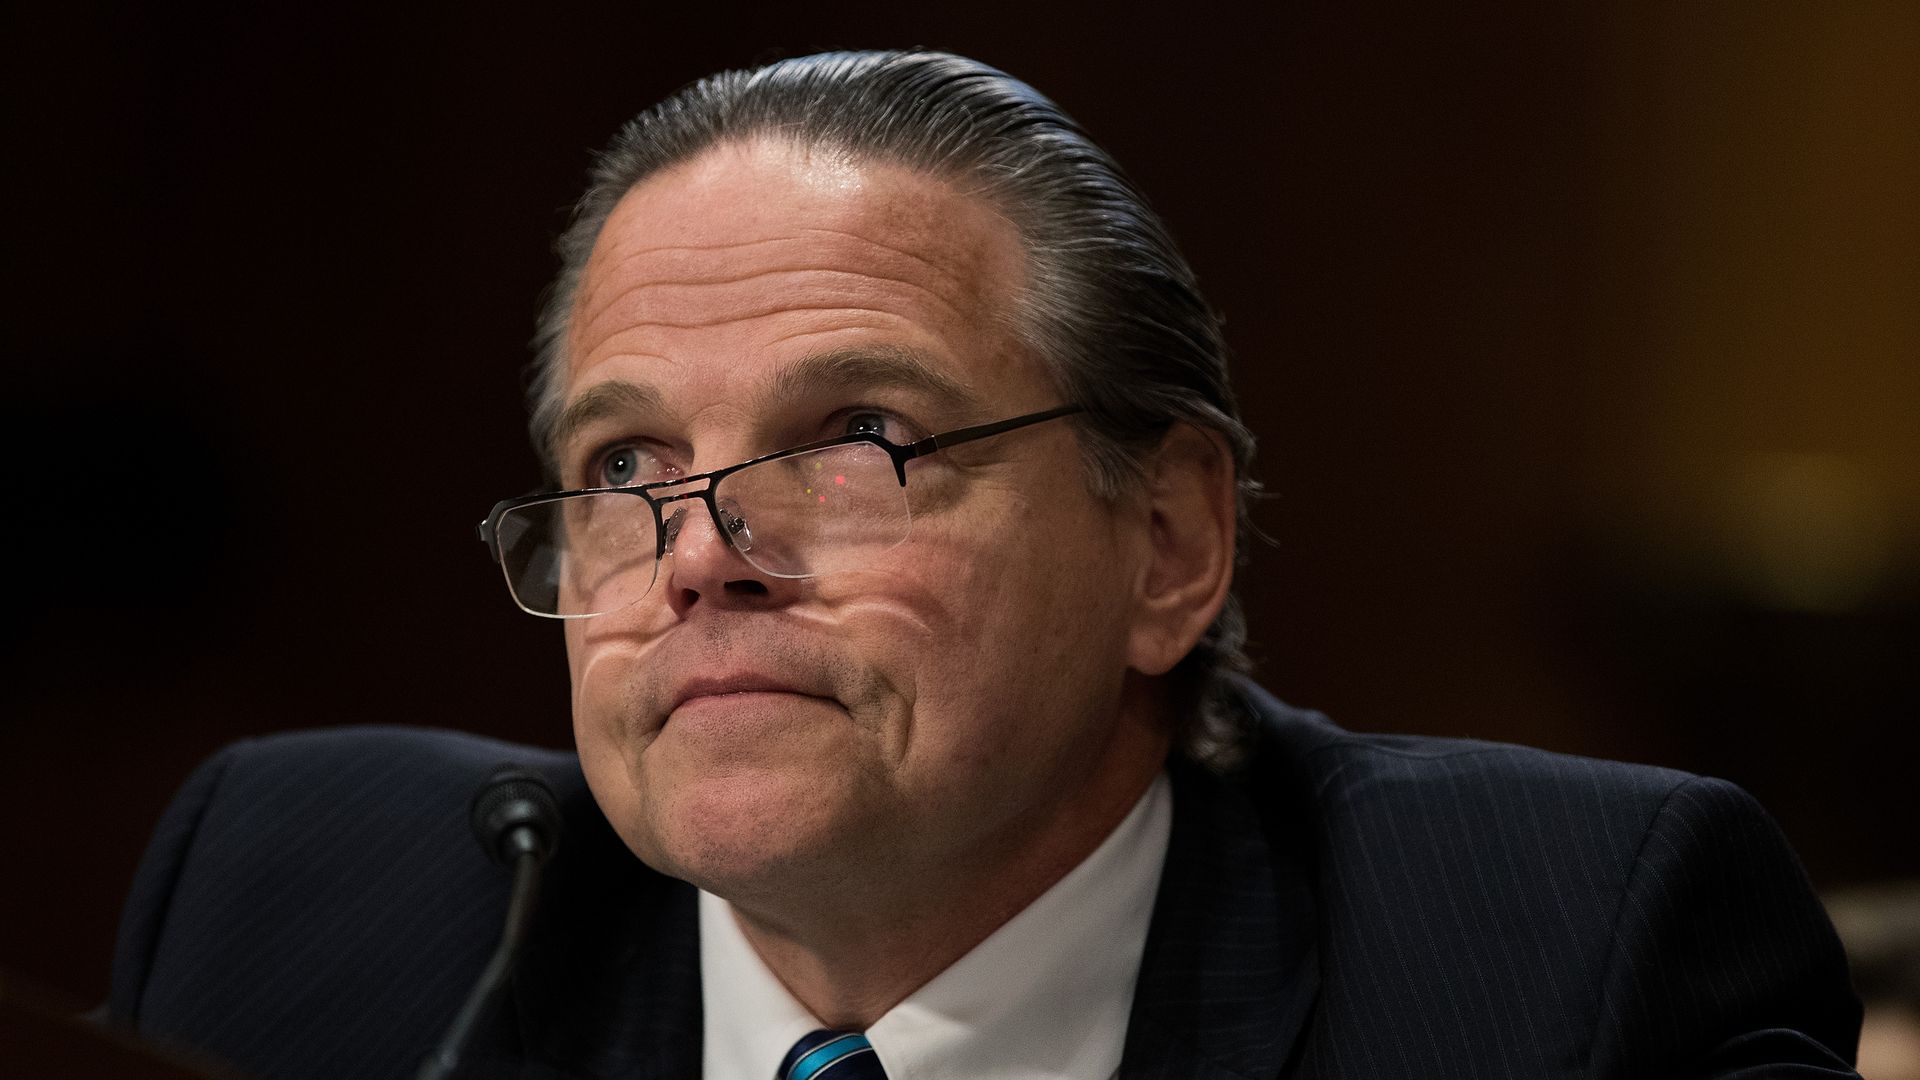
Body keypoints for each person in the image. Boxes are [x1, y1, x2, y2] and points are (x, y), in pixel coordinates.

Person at [108, 50, 1863, 1079]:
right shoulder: (311, 919)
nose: (697, 558)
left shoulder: (1554, 968)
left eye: (860, 439)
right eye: (624, 464)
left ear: (1168, 540)